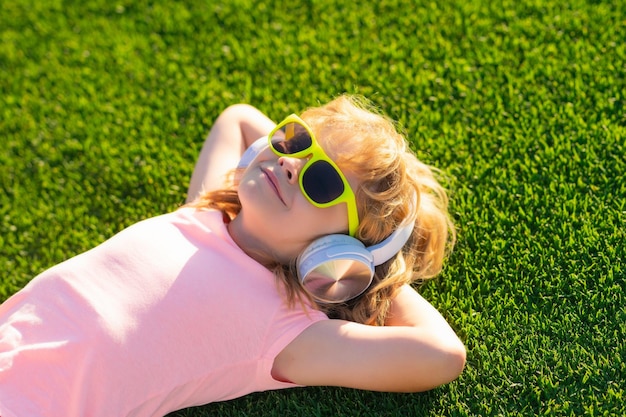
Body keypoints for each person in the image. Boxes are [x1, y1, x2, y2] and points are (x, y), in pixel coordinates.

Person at [0, 95, 465, 416]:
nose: (289, 163)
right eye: (295, 140)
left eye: (321, 181)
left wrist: (371, 262)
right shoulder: (201, 211)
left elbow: (442, 356)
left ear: (339, 248)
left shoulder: (283, 329)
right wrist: (293, 151)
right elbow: (239, 118)